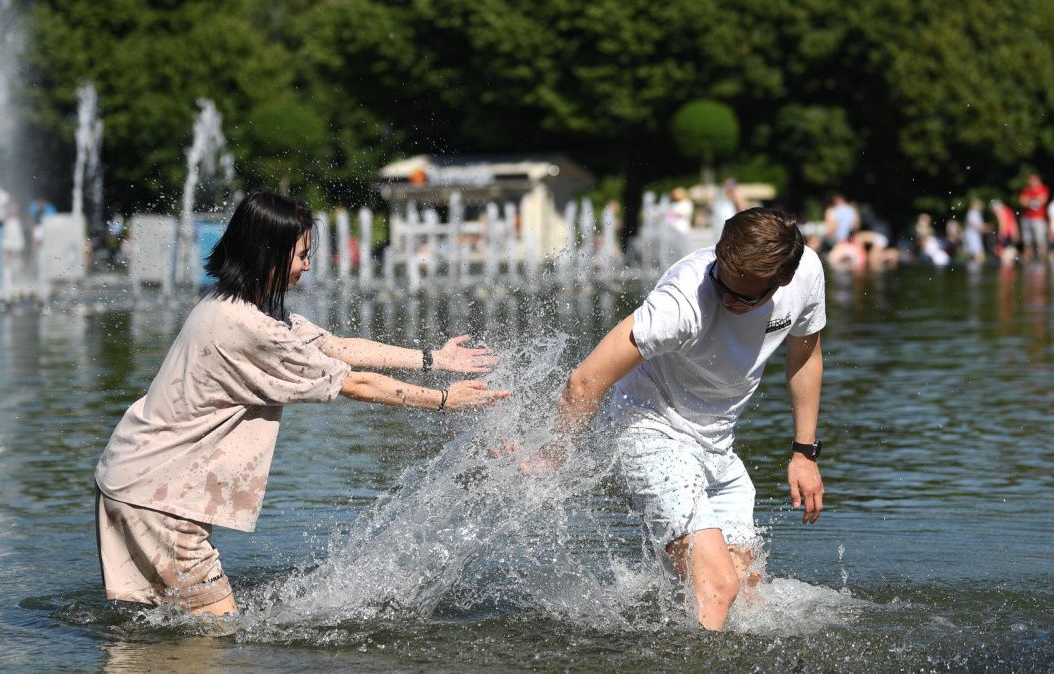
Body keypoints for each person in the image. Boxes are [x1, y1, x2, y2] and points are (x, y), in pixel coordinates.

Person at [94, 190, 510, 618]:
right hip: (159, 499)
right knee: (217, 633)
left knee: (152, 631)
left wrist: (431, 360)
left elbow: (336, 347)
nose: (307, 266)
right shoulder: (246, 327)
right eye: (301, 255)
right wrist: (444, 399)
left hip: (135, 480)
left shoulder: (238, 302)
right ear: (267, 253)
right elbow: (354, 383)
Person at [532, 208, 826, 630]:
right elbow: (583, 381)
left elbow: (805, 354)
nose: (727, 300)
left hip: (718, 446)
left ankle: (666, 639)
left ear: (781, 281)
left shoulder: (807, 272)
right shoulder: (681, 302)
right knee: (718, 586)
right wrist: (554, 450)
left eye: (743, 298)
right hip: (650, 429)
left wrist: (804, 453)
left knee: (748, 593)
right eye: (722, 283)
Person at [1018, 173, 1049, 263]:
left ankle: (1041, 260)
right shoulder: (1026, 190)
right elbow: (1022, 201)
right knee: (1027, 241)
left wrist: (1029, 200)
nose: (1030, 182)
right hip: (1027, 218)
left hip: (1038, 219)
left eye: (1032, 180)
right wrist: (1034, 200)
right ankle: (1028, 260)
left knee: (1040, 241)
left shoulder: (1043, 188)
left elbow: (1042, 200)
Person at [964, 199, 987, 264]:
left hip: (975, 237)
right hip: (973, 237)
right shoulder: (972, 213)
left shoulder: (976, 213)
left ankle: (975, 270)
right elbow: (975, 225)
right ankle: (977, 271)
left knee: (976, 255)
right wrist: (986, 228)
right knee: (979, 255)